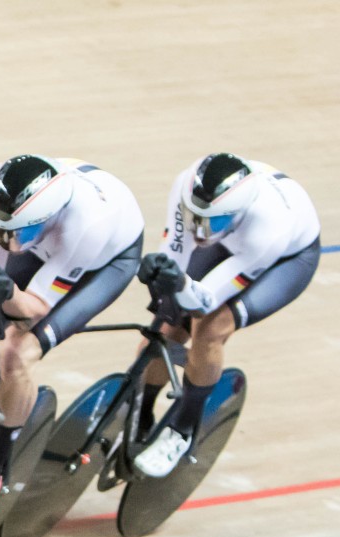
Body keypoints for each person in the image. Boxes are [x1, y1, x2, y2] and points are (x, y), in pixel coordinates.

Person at [0, 155, 144, 522]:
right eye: (0, 228)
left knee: (17, 353)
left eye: (19, 232)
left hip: (102, 262)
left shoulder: (87, 226)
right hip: (46, 240)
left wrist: (7, 295)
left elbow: (35, 307)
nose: (8, 239)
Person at [134, 153, 320, 477]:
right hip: (235, 238)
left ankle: (182, 430)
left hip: (285, 261)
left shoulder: (268, 230)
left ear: (235, 213)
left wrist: (178, 284)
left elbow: (205, 300)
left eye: (213, 223)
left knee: (210, 328)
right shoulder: (186, 188)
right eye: (197, 219)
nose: (202, 232)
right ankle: (141, 409)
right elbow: (174, 255)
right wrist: (162, 276)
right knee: (168, 324)